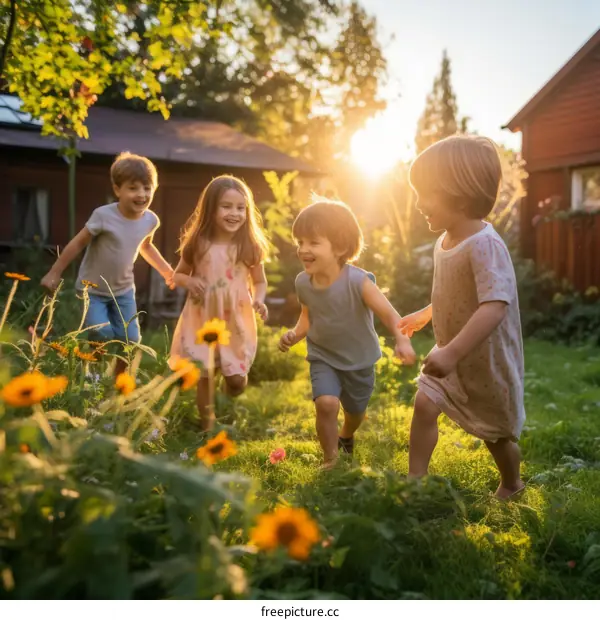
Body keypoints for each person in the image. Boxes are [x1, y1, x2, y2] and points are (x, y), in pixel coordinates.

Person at [399, 135, 526, 499]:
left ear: (460, 192)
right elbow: (454, 295)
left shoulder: (486, 245)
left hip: (486, 363)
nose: (419, 204)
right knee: (424, 403)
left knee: (496, 435)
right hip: (450, 359)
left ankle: (512, 483)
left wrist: (452, 352)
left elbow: (494, 305)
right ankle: (415, 482)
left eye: (426, 193)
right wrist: (428, 313)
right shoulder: (446, 240)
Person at [279, 199, 416, 469]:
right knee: (327, 404)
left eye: (313, 243)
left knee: (355, 413)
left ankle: (346, 435)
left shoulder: (358, 282)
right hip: (323, 355)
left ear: (340, 247)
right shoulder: (302, 283)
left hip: (359, 360)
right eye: (300, 242)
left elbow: (390, 315)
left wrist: (402, 340)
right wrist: (295, 335)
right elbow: (307, 317)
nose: (303, 249)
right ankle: (331, 460)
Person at [41, 152, 173, 375]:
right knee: (102, 333)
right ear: (117, 190)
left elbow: (146, 247)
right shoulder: (103, 215)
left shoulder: (151, 220)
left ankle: (119, 382)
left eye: (147, 188)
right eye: (133, 188)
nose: (142, 194)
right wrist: (54, 272)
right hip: (91, 290)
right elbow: (78, 243)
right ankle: (93, 374)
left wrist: (168, 272)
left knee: (130, 339)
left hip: (123, 291)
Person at [169, 175, 269, 430]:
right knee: (205, 374)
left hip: (234, 319)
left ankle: (232, 384)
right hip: (202, 317)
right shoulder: (197, 243)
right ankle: (207, 426)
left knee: (236, 381)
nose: (234, 213)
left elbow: (259, 281)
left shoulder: (249, 246)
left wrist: (259, 300)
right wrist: (189, 282)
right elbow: (178, 275)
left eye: (240, 207)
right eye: (226, 206)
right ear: (210, 209)